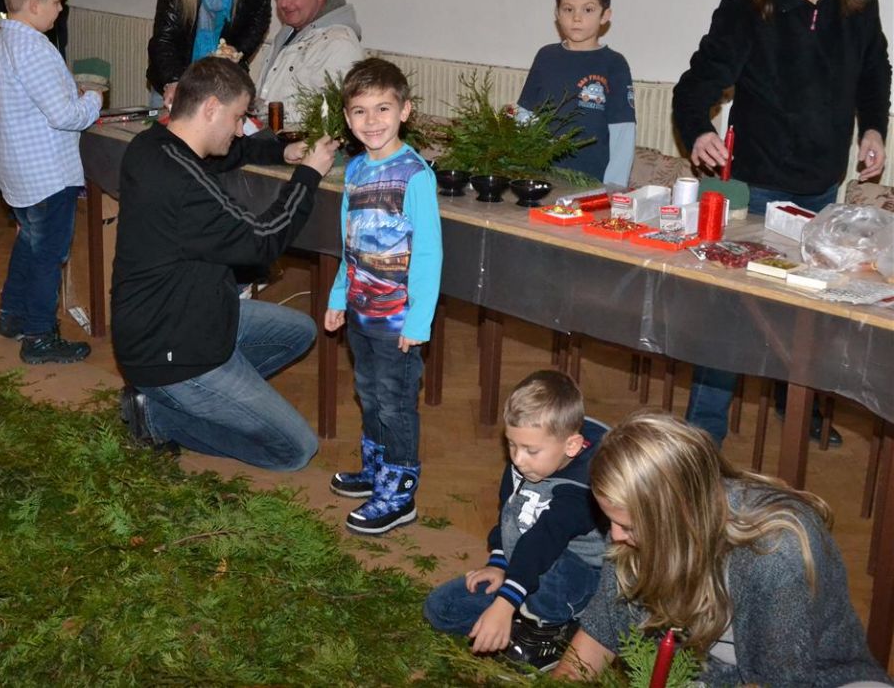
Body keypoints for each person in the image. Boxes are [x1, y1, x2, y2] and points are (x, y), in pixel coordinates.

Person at [672, 0, 891, 448]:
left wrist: (873, 129)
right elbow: (697, 82)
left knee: (808, 310)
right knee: (732, 310)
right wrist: (697, 129)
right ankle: (704, 434)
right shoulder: (747, 4)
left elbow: (875, 67)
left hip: (821, 183)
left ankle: (798, 409)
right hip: (759, 183)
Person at [111, 57, 338, 469]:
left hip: (181, 320)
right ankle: (157, 415)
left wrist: (281, 150)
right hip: (171, 353)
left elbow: (225, 155)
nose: (239, 129)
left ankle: (215, 395)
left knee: (300, 331)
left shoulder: (152, 145)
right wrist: (307, 175)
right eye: (238, 118)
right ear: (211, 108)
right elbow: (263, 240)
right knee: (295, 450)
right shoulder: (185, 185)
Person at [552, 411, 889, 685]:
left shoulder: (775, 554)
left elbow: (781, 680)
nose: (615, 536)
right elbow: (601, 631)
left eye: (628, 527)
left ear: (679, 513)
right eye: (611, 521)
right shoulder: (636, 530)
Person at [324, 58, 441, 535]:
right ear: (347, 117)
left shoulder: (415, 176)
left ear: (404, 111)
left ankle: (400, 489)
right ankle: (377, 471)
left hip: (398, 321)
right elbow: (348, 244)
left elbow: (429, 253)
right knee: (369, 394)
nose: (371, 121)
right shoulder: (354, 169)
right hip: (361, 312)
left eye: (383, 108)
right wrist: (339, 296)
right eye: (360, 111)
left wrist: (418, 321)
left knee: (395, 403)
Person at [424, 371, 607, 673]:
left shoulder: (582, 488)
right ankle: (525, 615)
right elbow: (511, 512)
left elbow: (542, 543)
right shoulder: (529, 461)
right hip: (524, 564)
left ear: (571, 446)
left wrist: (504, 603)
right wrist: (498, 563)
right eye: (511, 445)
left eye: (530, 450)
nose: (518, 459)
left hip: (574, 575)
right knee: (441, 609)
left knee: (555, 574)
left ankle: (554, 632)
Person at [0, 0, 102, 364]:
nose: (59, 9)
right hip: (48, 175)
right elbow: (64, 115)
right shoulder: (34, 49)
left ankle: (12, 315)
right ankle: (39, 336)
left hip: (16, 173)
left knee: (29, 244)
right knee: (49, 255)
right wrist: (93, 99)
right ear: (34, 5)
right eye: (56, 2)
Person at [517, 0, 636, 187]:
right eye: (568, 9)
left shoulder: (614, 64)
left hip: (590, 183)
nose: (577, 18)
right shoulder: (545, 56)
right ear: (557, 13)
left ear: (605, 15)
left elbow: (623, 132)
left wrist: (613, 188)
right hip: (540, 177)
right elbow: (525, 114)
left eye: (588, 9)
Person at [255, 0, 364, 128]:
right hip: (268, 139)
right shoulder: (286, 34)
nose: (283, 3)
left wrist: (264, 112)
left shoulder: (340, 44)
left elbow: (331, 115)